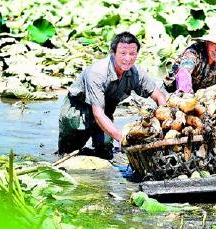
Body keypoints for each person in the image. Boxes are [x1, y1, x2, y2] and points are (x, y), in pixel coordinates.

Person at [58, 32, 166, 160]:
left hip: (105, 109)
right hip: (78, 109)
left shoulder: (136, 72)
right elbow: (98, 114)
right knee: (68, 154)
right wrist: (122, 138)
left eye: (132, 54)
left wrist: (165, 122)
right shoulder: (97, 73)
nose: (128, 59)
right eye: (123, 53)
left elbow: (158, 96)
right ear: (112, 53)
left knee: (105, 152)